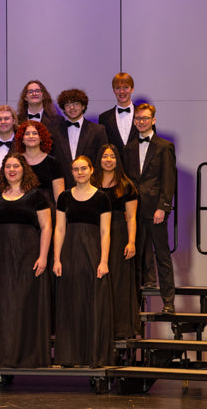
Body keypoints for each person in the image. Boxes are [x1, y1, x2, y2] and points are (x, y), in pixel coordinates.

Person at [0, 153, 52, 369]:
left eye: (16, 166)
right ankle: (1, 354)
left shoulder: (36, 195)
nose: (12, 170)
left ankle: (26, 355)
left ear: (24, 169)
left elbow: (47, 226)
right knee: (2, 303)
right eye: (8, 166)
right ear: (3, 170)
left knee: (24, 303)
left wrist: (43, 256)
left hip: (28, 254)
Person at [53, 156, 112, 367]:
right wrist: (57, 259)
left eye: (83, 168)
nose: (80, 172)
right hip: (70, 254)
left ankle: (92, 356)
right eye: (76, 169)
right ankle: (70, 356)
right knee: (70, 303)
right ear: (72, 172)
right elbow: (60, 229)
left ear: (91, 170)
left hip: (92, 253)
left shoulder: (102, 197)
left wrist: (103, 261)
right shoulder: (64, 197)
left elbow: (105, 232)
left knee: (92, 302)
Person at [123, 103, 177, 313]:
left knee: (162, 256)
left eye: (145, 118)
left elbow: (168, 179)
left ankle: (169, 302)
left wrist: (163, 207)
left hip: (155, 210)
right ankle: (134, 306)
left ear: (153, 120)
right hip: (134, 211)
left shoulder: (165, 146)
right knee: (134, 258)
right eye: (138, 118)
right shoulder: (129, 148)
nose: (141, 122)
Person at [93, 144, 140, 339]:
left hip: (119, 235)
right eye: (105, 156)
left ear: (118, 160)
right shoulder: (91, 182)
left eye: (112, 156)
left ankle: (119, 328)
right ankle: (97, 326)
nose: (108, 160)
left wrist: (131, 242)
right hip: (94, 234)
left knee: (118, 281)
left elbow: (132, 217)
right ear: (99, 159)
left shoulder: (126, 185)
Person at [53, 89, 108, 188]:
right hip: (63, 188)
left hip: (91, 187)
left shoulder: (98, 131)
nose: (72, 108)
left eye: (76, 104)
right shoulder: (54, 132)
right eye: (67, 105)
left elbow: (102, 161)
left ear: (83, 106)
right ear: (63, 109)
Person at [13, 120, 64, 208]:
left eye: (35, 133)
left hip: (48, 211)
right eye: (27, 133)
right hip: (21, 210)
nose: (31, 136)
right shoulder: (15, 162)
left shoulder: (53, 162)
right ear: (22, 139)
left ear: (41, 138)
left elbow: (59, 198)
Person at [98, 72, 139, 160]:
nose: (122, 91)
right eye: (118, 88)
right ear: (113, 90)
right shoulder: (104, 118)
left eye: (126, 87)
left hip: (139, 166)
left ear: (132, 89)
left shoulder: (143, 115)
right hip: (113, 167)